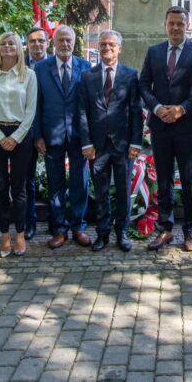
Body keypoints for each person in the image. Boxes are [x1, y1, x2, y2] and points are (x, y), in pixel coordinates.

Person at [138, 6, 192, 252]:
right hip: (160, 125)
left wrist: (181, 109)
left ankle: (190, 230)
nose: (175, 28)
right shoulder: (154, 51)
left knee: (189, 180)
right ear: (165, 25)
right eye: (171, 23)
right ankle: (165, 229)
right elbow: (143, 85)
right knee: (164, 180)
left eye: (180, 23)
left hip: (187, 126)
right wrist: (157, 107)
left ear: (187, 25)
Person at [77, 31, 145, 251]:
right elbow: (82, 111)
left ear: (119, 48)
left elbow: (136, 111)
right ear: (98, 47)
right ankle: (102, 234)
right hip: (97, 146)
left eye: (112, 44)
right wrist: (86, 143)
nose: (107, 47)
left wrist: (136, 142)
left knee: (124, 191)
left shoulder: (130, 75)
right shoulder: (88, 76)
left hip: (124, 146)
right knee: (101, 191)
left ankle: (122, 233)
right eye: (104, 44)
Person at [33, 25, 91, 247]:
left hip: (79, 136)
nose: (65, 44)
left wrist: (90, 137)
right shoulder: (40, 69)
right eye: (61, 40)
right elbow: (36, 104)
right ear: (53, 43)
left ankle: (78, 227)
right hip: (51, 134)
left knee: (80, 182)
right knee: (55, 184)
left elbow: (89, 105)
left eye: (69, 40)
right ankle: (58, 229)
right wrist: (38, 135)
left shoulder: (85, 67)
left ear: (74, 42)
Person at [0, 32, 38, 258]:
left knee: (20, 188)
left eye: (11, 43)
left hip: (20, 134)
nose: (7, 47)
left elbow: (31, 109)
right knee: (1, 186)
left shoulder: (29, 75)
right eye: (3, 43)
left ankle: (20, 234)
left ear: (18, 48)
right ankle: (4, 235)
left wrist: (16, 136)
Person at [22, 26, 50, 238]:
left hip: (53, 130)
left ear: (47, 43)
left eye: (41, 41)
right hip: (26, 131)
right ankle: (29, 222)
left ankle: (55, 221)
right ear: (27, 44)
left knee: (56, 179)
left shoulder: (55, 64)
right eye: (32, 41)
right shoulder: (18, 66)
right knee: (27, 180)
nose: (37, 45)